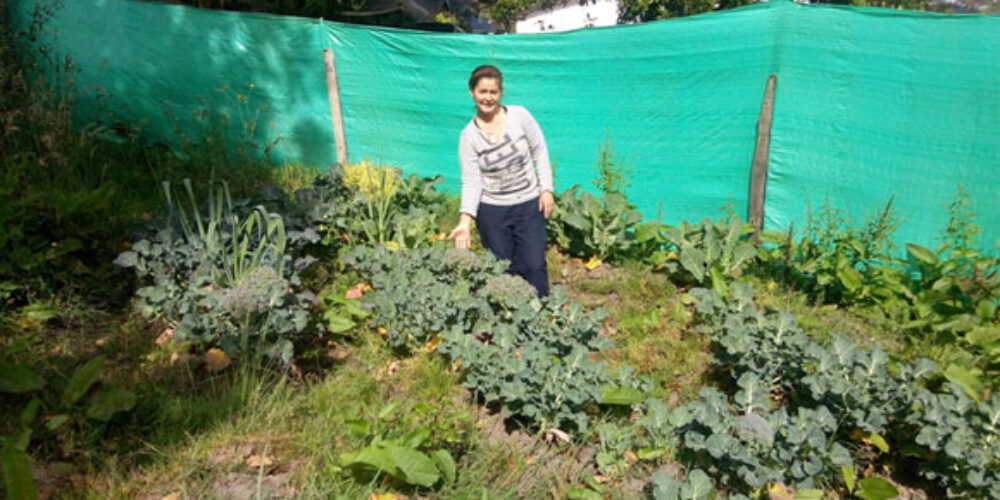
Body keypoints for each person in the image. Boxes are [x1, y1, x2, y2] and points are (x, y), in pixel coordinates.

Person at [447, 65, 555, 297]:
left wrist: (546, 189)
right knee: (502, 270)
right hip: (492, 212)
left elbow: (540, 151)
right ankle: (510, 323)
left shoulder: (520, 116)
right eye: (482, 92)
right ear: (472, 93)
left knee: (534, 264)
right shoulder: (468, 137)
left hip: (528, 205)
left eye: (493, 92)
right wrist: (465, 221)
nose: (488, 98)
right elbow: (471, 182)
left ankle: (543, 317)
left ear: (500, 93)